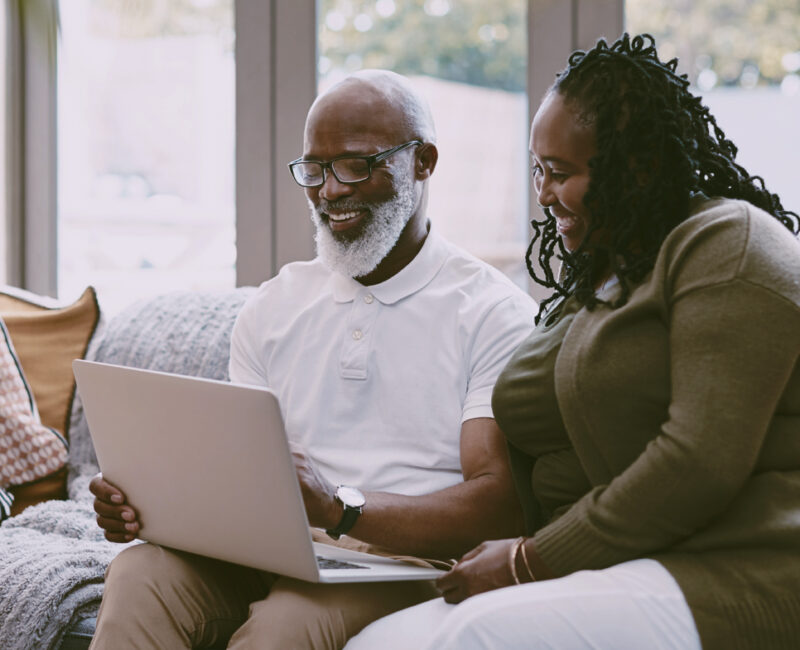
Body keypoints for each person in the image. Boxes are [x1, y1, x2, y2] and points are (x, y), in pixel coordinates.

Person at [345, 33, 800, 650]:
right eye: (537, 170)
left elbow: (698, 461)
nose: (542, 193)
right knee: (380, 641)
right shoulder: (605, 275)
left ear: (632, 166)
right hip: (614, 568)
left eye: (559, 172)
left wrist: (526, 562)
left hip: (737, 571)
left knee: (475, 637)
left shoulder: (727, 244)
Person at [87, 69, 538, 649]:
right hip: (272, 546)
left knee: (290, 621)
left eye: (356, 165)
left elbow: (497, 501)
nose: (330, 191)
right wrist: (150, 502)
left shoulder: (492, 311)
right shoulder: (275, 304)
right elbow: (238, 470)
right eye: (315, 170)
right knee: (139, 572)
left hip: (405, 561)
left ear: (422, 161)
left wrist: (338, 509)